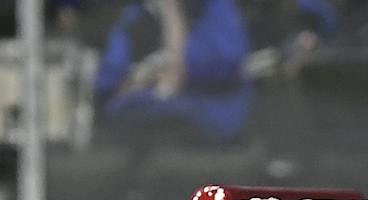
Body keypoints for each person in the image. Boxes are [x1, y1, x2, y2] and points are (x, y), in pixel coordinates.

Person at [95, 0, 257, 146]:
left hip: (211, 113)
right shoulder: (137, 16)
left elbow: (225, 63)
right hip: (145, 120)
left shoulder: (213, 8)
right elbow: (109, 80)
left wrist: (172, 17)